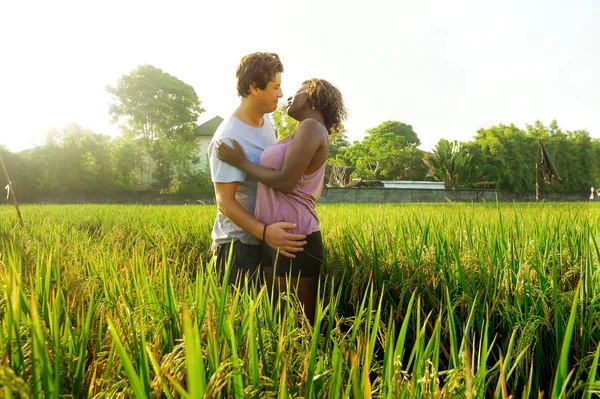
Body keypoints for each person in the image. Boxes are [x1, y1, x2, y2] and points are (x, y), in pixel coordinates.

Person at [215, 78, 347, 323]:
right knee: (281, 323)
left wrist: (241, 163)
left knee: (299, 326)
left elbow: (286, 182)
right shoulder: (299, 132)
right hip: (278, 236)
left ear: (314, 98)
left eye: (297, 92)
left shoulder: (311, 127)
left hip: (295, 237)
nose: (288, 96)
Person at [208, 52, 307, 286]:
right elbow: (224, 201)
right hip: (236, 248)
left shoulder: (265, 121)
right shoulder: (229, 137)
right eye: (275, 87)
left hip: (262, 243)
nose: (281, 94)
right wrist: (266, 232)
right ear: (254, 88)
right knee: (240, 320)